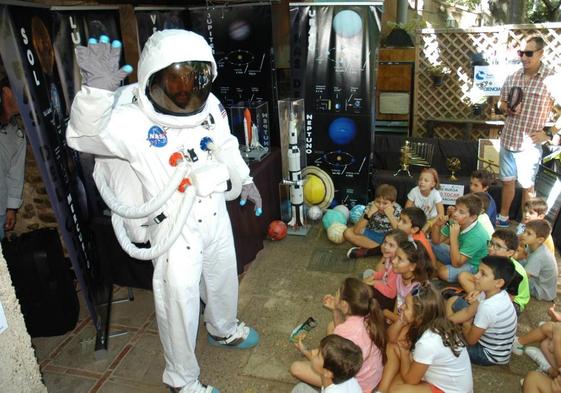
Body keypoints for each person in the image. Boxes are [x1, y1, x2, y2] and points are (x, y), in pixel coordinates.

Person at [66, 31, 263, 393]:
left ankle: (223, 328)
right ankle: (181, 380)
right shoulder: (131, 120)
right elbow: (82, 137)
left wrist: (245, 179)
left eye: (194, 78)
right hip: (174, 225)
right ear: (154, 78)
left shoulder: (210, 108)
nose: (185, 90)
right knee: (179, 301)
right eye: (175, 79)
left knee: (222, 276)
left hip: (214, 212)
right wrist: (96, 95)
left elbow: (225, 143)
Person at [496, 35, 561, 228]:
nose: (524, 57)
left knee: (527, 187)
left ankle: (526, 223)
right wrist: (505, 107)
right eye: (521, 53)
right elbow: (500, 102)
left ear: (541, 53)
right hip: (508, 139)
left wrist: (549, 133)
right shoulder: (514, 76)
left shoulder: (551, 79)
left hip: (529, 146)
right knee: (507, 182)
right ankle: (503, 218)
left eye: (529, 53)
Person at [291, 278, 385, 393]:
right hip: (371, 378)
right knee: (332, 326)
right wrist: (335, 310)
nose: (335, 293)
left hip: (358, 383)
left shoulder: (346, 331)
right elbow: (341, 334)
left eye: (338, 292)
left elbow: (330, 362)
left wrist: (305, 351)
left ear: (345, 305)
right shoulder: (367, 316)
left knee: (296, 368)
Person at [378, 283, 473, 393]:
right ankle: (380, 391)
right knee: (392, 347)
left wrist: (404, 355)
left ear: (419, 315)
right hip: (432, 375)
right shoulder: (434, 322)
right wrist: (402, 318)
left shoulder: (429, 341)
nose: (401, 307)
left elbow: (411, 380)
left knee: (396, 390)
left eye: (406, 306)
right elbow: (392, 339)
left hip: (449, 390)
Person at [450, 255, 517, 366]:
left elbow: (471, 341)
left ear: (499, 282)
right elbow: (467, 312)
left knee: (446, 344)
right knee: (451, 319)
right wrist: (445, 321)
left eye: (483, 274)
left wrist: (466, 325)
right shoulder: (494, 292)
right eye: (478, 271)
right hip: (497, 348)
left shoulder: (489, 307)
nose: (476, 276)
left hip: (488, 355)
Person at [456, 228, 529, 315]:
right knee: (463, 276)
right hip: (493, 289)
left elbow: (509, 298)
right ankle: (476, 301)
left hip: (513, 302)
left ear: (509, 252)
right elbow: (482, 279)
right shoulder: (492, 258)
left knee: (489, 311)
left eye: (497, 246)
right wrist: (478, 291)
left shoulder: (515, 272)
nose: (491, 248)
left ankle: (477, 305)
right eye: (491, 243)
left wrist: (481, 297)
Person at [431, 194, 490, 283]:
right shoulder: (455, 221)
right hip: (458, 255)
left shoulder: (477, 236)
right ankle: (436, 265)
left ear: (472, 217)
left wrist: (453, 237)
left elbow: (456, 264)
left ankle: (436, 266)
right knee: (428, 244)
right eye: (455, 209)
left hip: (472, 265)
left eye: (461, 212)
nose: (455, 214)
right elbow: (436, 241)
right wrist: (437, 225)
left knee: (443, 272)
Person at [291, 335, 363, 393]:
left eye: (318, 354)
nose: (313, 351)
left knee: (300, 389)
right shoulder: (345, 375)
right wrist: (305, 351)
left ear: (327, 372)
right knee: (301, 388)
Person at [345, 184, 401, 259]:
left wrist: (390, 215)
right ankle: (380, 249)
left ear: (393, 203)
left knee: (398, 244)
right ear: (374, 199)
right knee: (347, 233)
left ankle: (377, 249)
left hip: (386, 237)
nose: (381, 206)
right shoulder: (371, 205)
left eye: (385, 203)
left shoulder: (398, 210)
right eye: (378, 202)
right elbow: (356, 231)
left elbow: (400, 234)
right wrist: (369, 213)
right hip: (371, 233)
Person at [0, 76, 25, 241]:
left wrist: (11, 208)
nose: (26, 99)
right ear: (6, 91)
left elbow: (15, 174)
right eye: (22, 93)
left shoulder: (18, 134)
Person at [362, 228, 409, 312]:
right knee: (368, 274)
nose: (385, 247)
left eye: (391, 245)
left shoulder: (397, 269)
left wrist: (374, 283)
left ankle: (369, 310)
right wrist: (374, 276)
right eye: (385, 242)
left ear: (400, 250)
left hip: (391, 300)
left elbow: (391, 293)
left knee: (366, 290)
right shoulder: (390, 257)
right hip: (386, 284)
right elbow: (385, 272)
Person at [520, 219, 557, 301]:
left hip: (541, 291)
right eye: (524, 231)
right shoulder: (534, 245)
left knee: (514, 274)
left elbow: (523, 277)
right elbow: (522, 254)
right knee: (519, 262)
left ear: (540, 239)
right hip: (543, 285)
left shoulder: (538, 256)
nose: (523, 235)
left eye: (529, 233)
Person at [404, 168, 444, 233]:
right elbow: (407, 209)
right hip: (417, 220)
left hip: (431, 220)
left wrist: (429, 224)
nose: (422, 182)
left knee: (438, 223)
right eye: (420, 179)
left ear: (433, 184)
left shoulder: (435, 194)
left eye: (426, 180)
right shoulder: (414, 191)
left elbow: (441, 213)